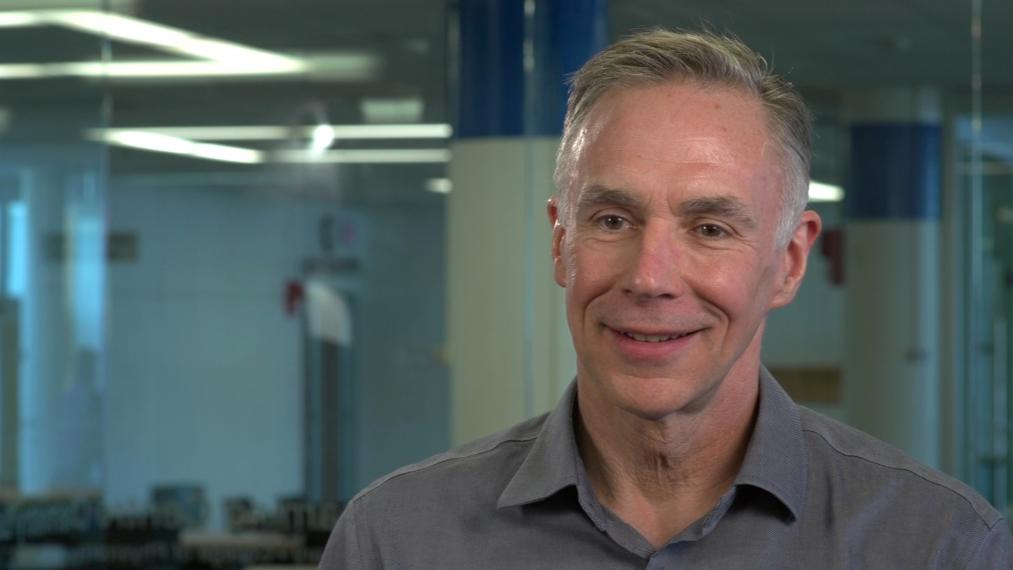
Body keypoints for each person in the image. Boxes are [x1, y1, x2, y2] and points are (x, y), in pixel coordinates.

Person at [319, 29, 1011, 568]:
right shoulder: (397, 542)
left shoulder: (939, 546)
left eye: (709, 228)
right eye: (613, 220)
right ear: (561, 242)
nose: (650, 277)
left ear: (789, 261)